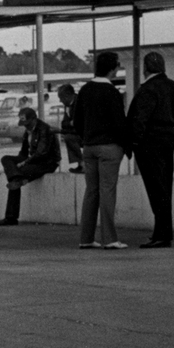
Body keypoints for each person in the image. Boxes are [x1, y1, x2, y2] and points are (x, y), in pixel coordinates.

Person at [74, 51, 132, 250]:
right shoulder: (112, 92)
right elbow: (119, 122)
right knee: (107, 191)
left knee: (91, 191)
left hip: (89, 147)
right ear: (112, 69)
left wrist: (86, 138)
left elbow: (77, 120)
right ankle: (110, 238)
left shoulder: (85, 90)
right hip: (109, 148)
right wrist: (126, 147)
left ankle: (86, 238)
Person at [127, 51, 174, 248]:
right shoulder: (173, 86)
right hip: (167, 141)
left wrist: (134, 142)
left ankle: (162, 234)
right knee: (164, 186)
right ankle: (162, 232)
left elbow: (140, 119)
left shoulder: (147, 89)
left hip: (149, 144)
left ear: (145, 68)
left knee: (155, 189)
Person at [0, 107, 59, 225]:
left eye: (28, 124)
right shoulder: (28, 131)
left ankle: (11, 217)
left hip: (46, 163)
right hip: (32, 161)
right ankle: (17, 178)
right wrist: (19, 162)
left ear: (34, 119)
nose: (26, 127)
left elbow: (41, 154)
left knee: (15, 181)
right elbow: (23, 152)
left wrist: (24, 163)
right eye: (24, 124)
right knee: (6, 160)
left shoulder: (45, 130)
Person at [56, 84, 81, 173]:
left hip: (85, 133)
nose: (60, 101)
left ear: (67, 96)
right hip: (76, 131)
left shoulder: (80, 102)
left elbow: (79, 124)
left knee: (69, 137)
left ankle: (82, 164)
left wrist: (72, 123)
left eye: (61, 98)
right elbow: (64, 123)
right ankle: (80, 163)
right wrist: (71, 123)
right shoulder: (68, 105)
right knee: (68, 136)